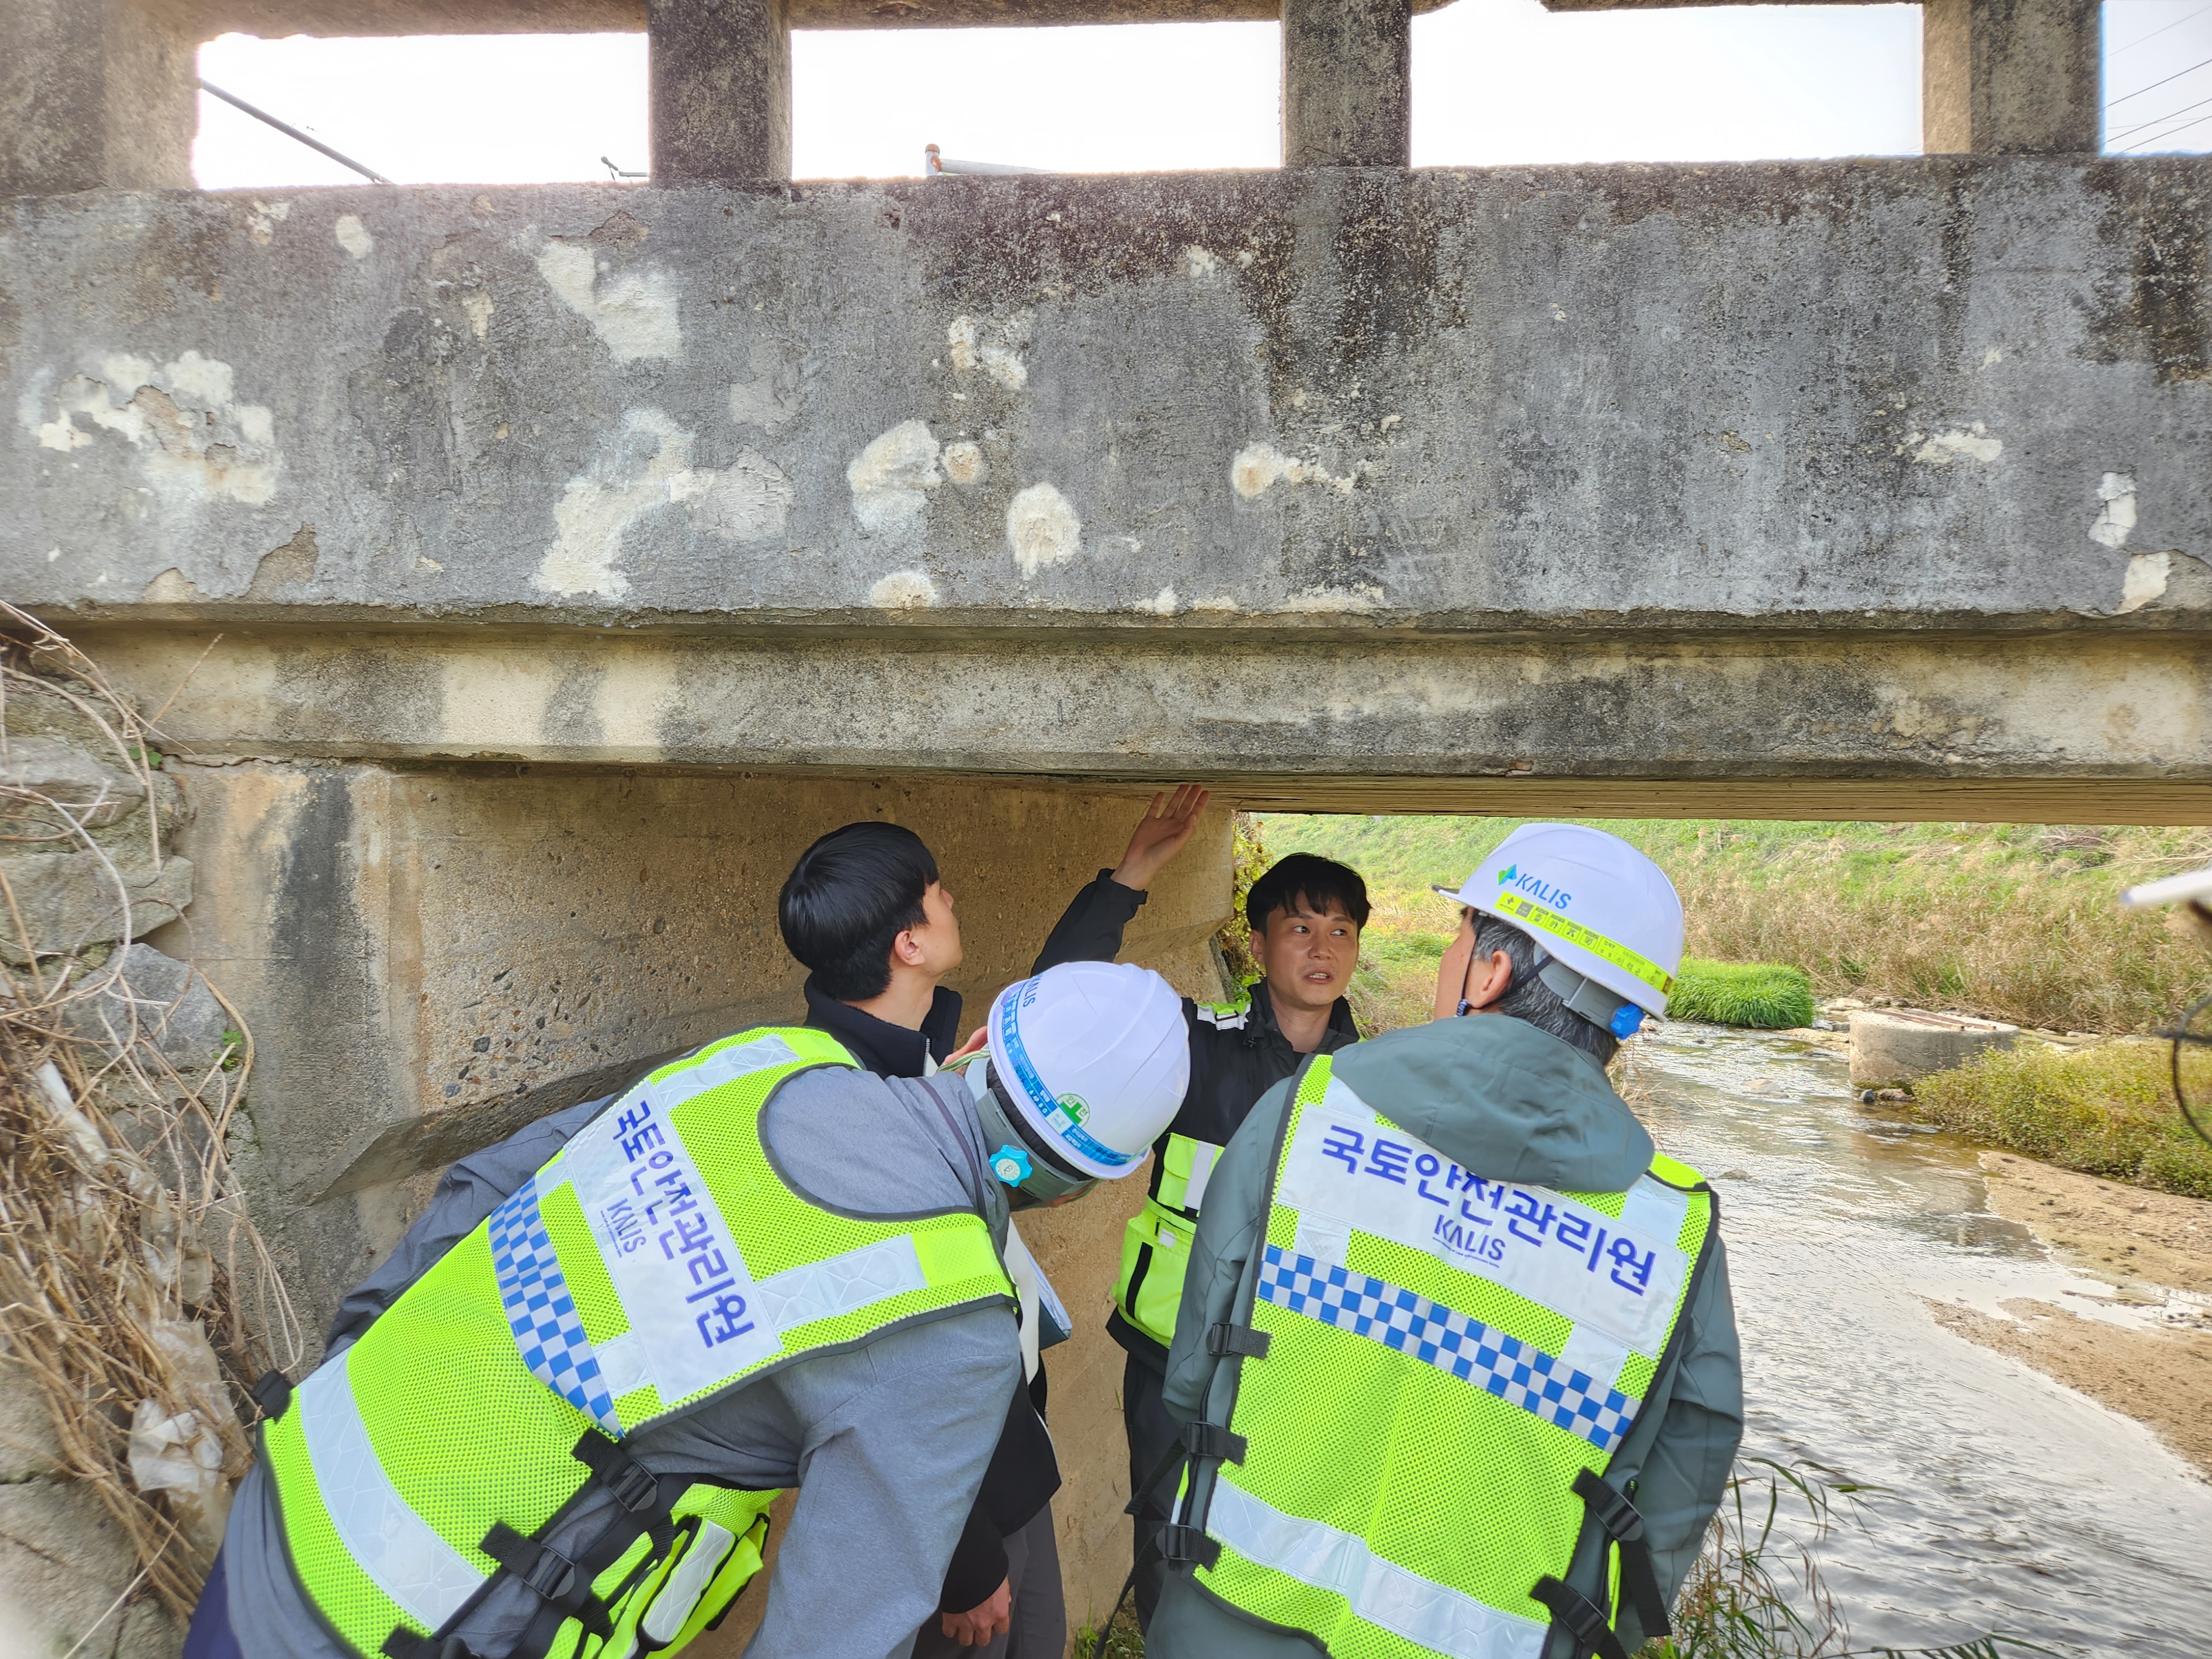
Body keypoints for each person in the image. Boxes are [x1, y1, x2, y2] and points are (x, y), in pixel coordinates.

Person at [181, 959, 1189, 1659]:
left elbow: (483, 1188)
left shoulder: (766, 1062)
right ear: (1098, 1182)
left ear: (976, 1038)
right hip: (413, 1622)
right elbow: (833, 1632)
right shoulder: (957, 1324)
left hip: (298, 1492)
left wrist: (363, 1353)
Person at [1144, 823, 1744, 1659]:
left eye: (1458, 936)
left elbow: (1195, 1371)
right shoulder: (1673, 1230)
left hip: (1233, 1612)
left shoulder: (1308, 1113)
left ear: (1492, 972)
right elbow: (1689, 1469)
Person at [775, 805, 1207, 1656]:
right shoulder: (855, 1115)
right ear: (910, 942)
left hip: (1002, 1461)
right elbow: (879, 1368)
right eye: (938, 895)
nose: (952, 901)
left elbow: (1048, 1039)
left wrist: (1126, 883)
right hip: (948, 1502)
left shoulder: (902, 1051)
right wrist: (968, 1563)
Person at [1028, 837, 1368, 1632]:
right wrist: (1131, 876)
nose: (1323, 950)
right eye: (1301, 929)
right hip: (1173, 1359)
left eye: (1342, 931)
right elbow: (1064, 999)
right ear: (1256, 945)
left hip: (1305, 1364)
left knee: (1281, 1552)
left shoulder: (1375, 1084)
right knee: (1169, 1547)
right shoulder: (1194, 1045)